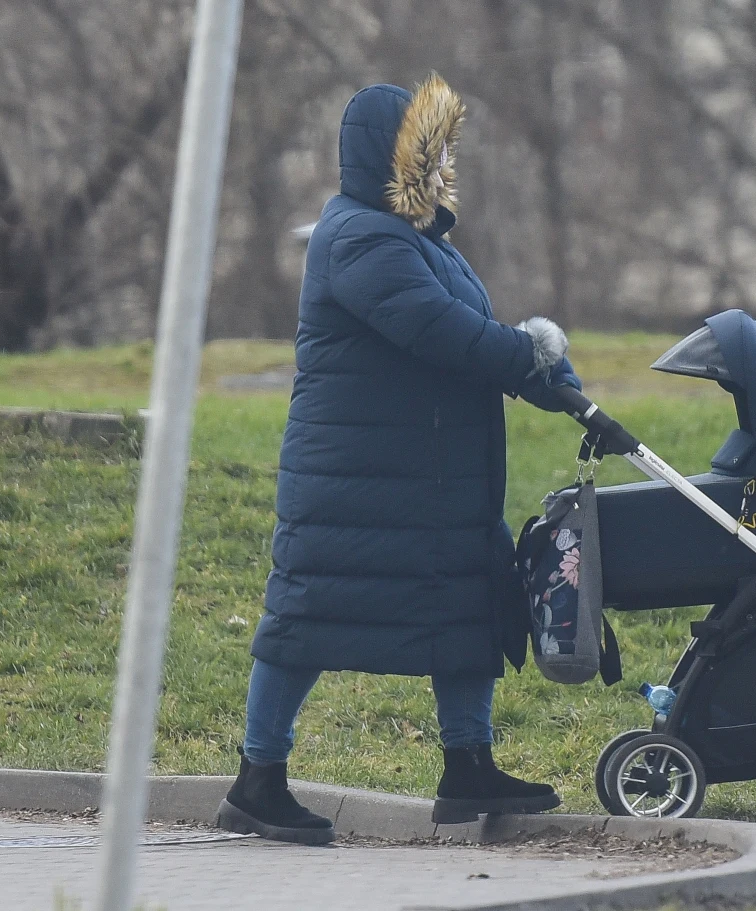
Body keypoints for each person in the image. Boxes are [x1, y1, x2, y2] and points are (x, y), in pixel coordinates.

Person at [217, 74, 581, 844]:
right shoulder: (356, 236)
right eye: (432, 146)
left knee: (465, 607)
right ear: (393, 153)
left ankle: (468, 765)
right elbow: (440, 331)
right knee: (306, 619)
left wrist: (555, 381)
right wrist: (532, 358)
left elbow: (473, 335)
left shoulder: (423, 242)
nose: (446, 160)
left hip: (430, 477)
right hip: (354, 477)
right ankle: (258, 779)